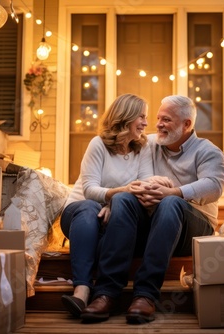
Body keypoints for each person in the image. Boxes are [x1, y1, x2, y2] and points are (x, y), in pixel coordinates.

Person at [80, 95, 224, 324]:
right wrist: (111, 201)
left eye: (166, 120)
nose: (157, 124)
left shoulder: (207, 151)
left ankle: (145, 294)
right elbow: (125, 175)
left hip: (194, 228)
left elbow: (214, 187)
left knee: (170, 203)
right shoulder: (149, 143)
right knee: (123, 199)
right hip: (156, 225)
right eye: (157, 118)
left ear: (187, 124)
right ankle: (106, 293)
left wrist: (175, 192)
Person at [59, 93, 158, 318]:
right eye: (141, 116)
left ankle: (104, 293)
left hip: (112, 218)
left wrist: (117, 203)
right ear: (126, 116)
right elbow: (90, 190)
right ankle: (82, 290)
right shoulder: (99, 144)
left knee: (110, 225)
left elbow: (144, 186)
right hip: (78, 214)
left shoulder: (143, 148)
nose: (145, 122)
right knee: (89, 208)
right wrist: (117, 194)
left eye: (146, 117)